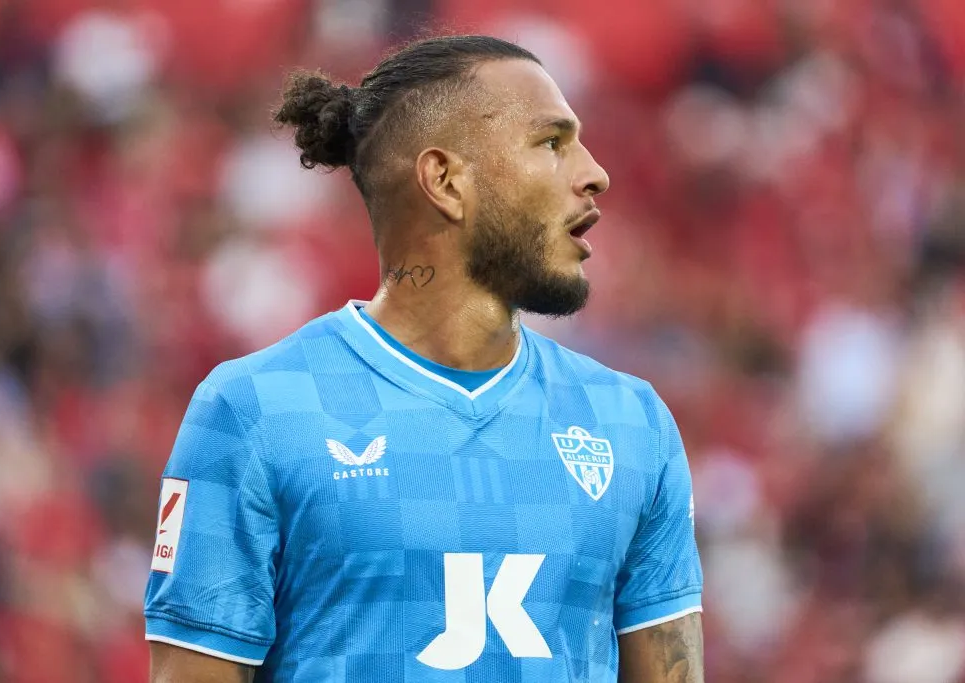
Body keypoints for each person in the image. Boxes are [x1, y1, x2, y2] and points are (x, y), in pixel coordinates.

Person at [144, 34, 704, 683]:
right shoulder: (256, 411)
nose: (593, 172)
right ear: (445, 180)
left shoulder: (632, 423)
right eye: (551, 143)